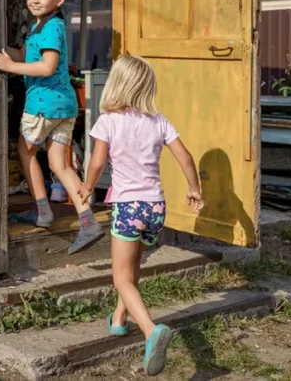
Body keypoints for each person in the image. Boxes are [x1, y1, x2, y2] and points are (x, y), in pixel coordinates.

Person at [79, 55, 204, 376]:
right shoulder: (159, 121)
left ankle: (151, 330)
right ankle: (119, 319)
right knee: (133, 267)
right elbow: (185, 156)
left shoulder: (107, 121)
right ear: (146, 87)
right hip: (155, 207)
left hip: (128, 206)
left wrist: (87, 187)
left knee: (120, 277)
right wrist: (194, 189)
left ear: (115, 84)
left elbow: (96, 162)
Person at [0, 0, 105, 254]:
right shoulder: (41, 26)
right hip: (63, 105)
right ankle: (87, 219)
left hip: (44, 103)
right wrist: (5, 53)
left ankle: (42, 210)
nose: (35, 0)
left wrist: (10, 68)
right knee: (59, 164)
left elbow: (46, 66)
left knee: (25, 152)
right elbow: (28, 56)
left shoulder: (52, 27)